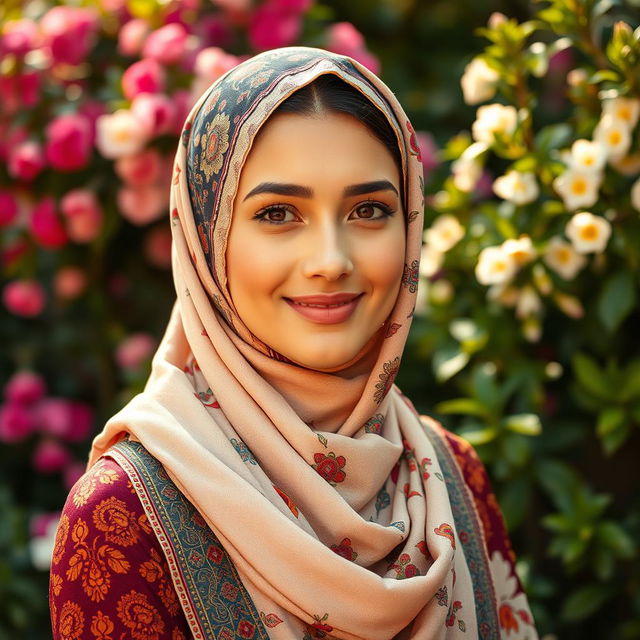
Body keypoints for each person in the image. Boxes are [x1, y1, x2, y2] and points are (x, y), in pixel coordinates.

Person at [49, 47, 538, 640]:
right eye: (279, 213)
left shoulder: (453, 478)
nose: (331, 261)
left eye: (369, 210)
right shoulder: (122, 517)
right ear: (207, 242)